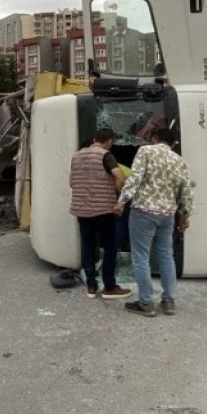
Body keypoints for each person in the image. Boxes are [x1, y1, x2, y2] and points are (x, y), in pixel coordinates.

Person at [113, 126, 194, 317]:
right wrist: (184, 215)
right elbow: (187, 191)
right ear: (173, 143)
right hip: (167, 214)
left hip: (143, 211)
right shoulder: (179, 160)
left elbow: (135, 179)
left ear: (154, 138)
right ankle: (169, 301)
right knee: (166, 256)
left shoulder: (145, 151)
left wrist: (121, 201)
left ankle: (146, 303)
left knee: (141, 256)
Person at [69, 128, 132, 300]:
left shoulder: (77, 156)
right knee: (109, 247)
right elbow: (121, 177)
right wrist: (119, 193)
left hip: (82, 210)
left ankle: (91, 286)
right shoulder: (106, 155)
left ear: (95, 138)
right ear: (109, 141)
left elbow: (71, 182)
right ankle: (109, 287)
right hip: (103, 210)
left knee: (88, 245)